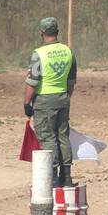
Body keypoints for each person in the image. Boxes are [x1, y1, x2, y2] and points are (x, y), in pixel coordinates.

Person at [24, 17, 77, 188]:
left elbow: (33, 81)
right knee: (63, 136)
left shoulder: (38, 54)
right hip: (63, 98)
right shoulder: (68, 52)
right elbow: (71, 81)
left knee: (47, 138)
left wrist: (27, 103)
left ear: (41, 33)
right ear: (57, 32)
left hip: (44, 101)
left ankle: (53, 177)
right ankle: (67, 175)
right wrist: (65, 98)